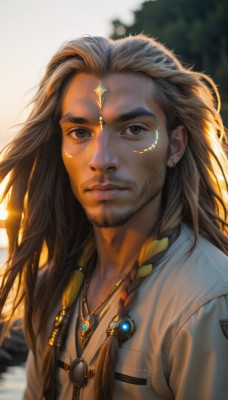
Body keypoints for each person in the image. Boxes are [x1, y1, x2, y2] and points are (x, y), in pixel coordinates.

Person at [0, 34, 227, 400]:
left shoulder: (207, 300)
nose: (101, 158)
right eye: (79, 132)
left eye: (134, 129)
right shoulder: (51, 285)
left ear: (177, 145)